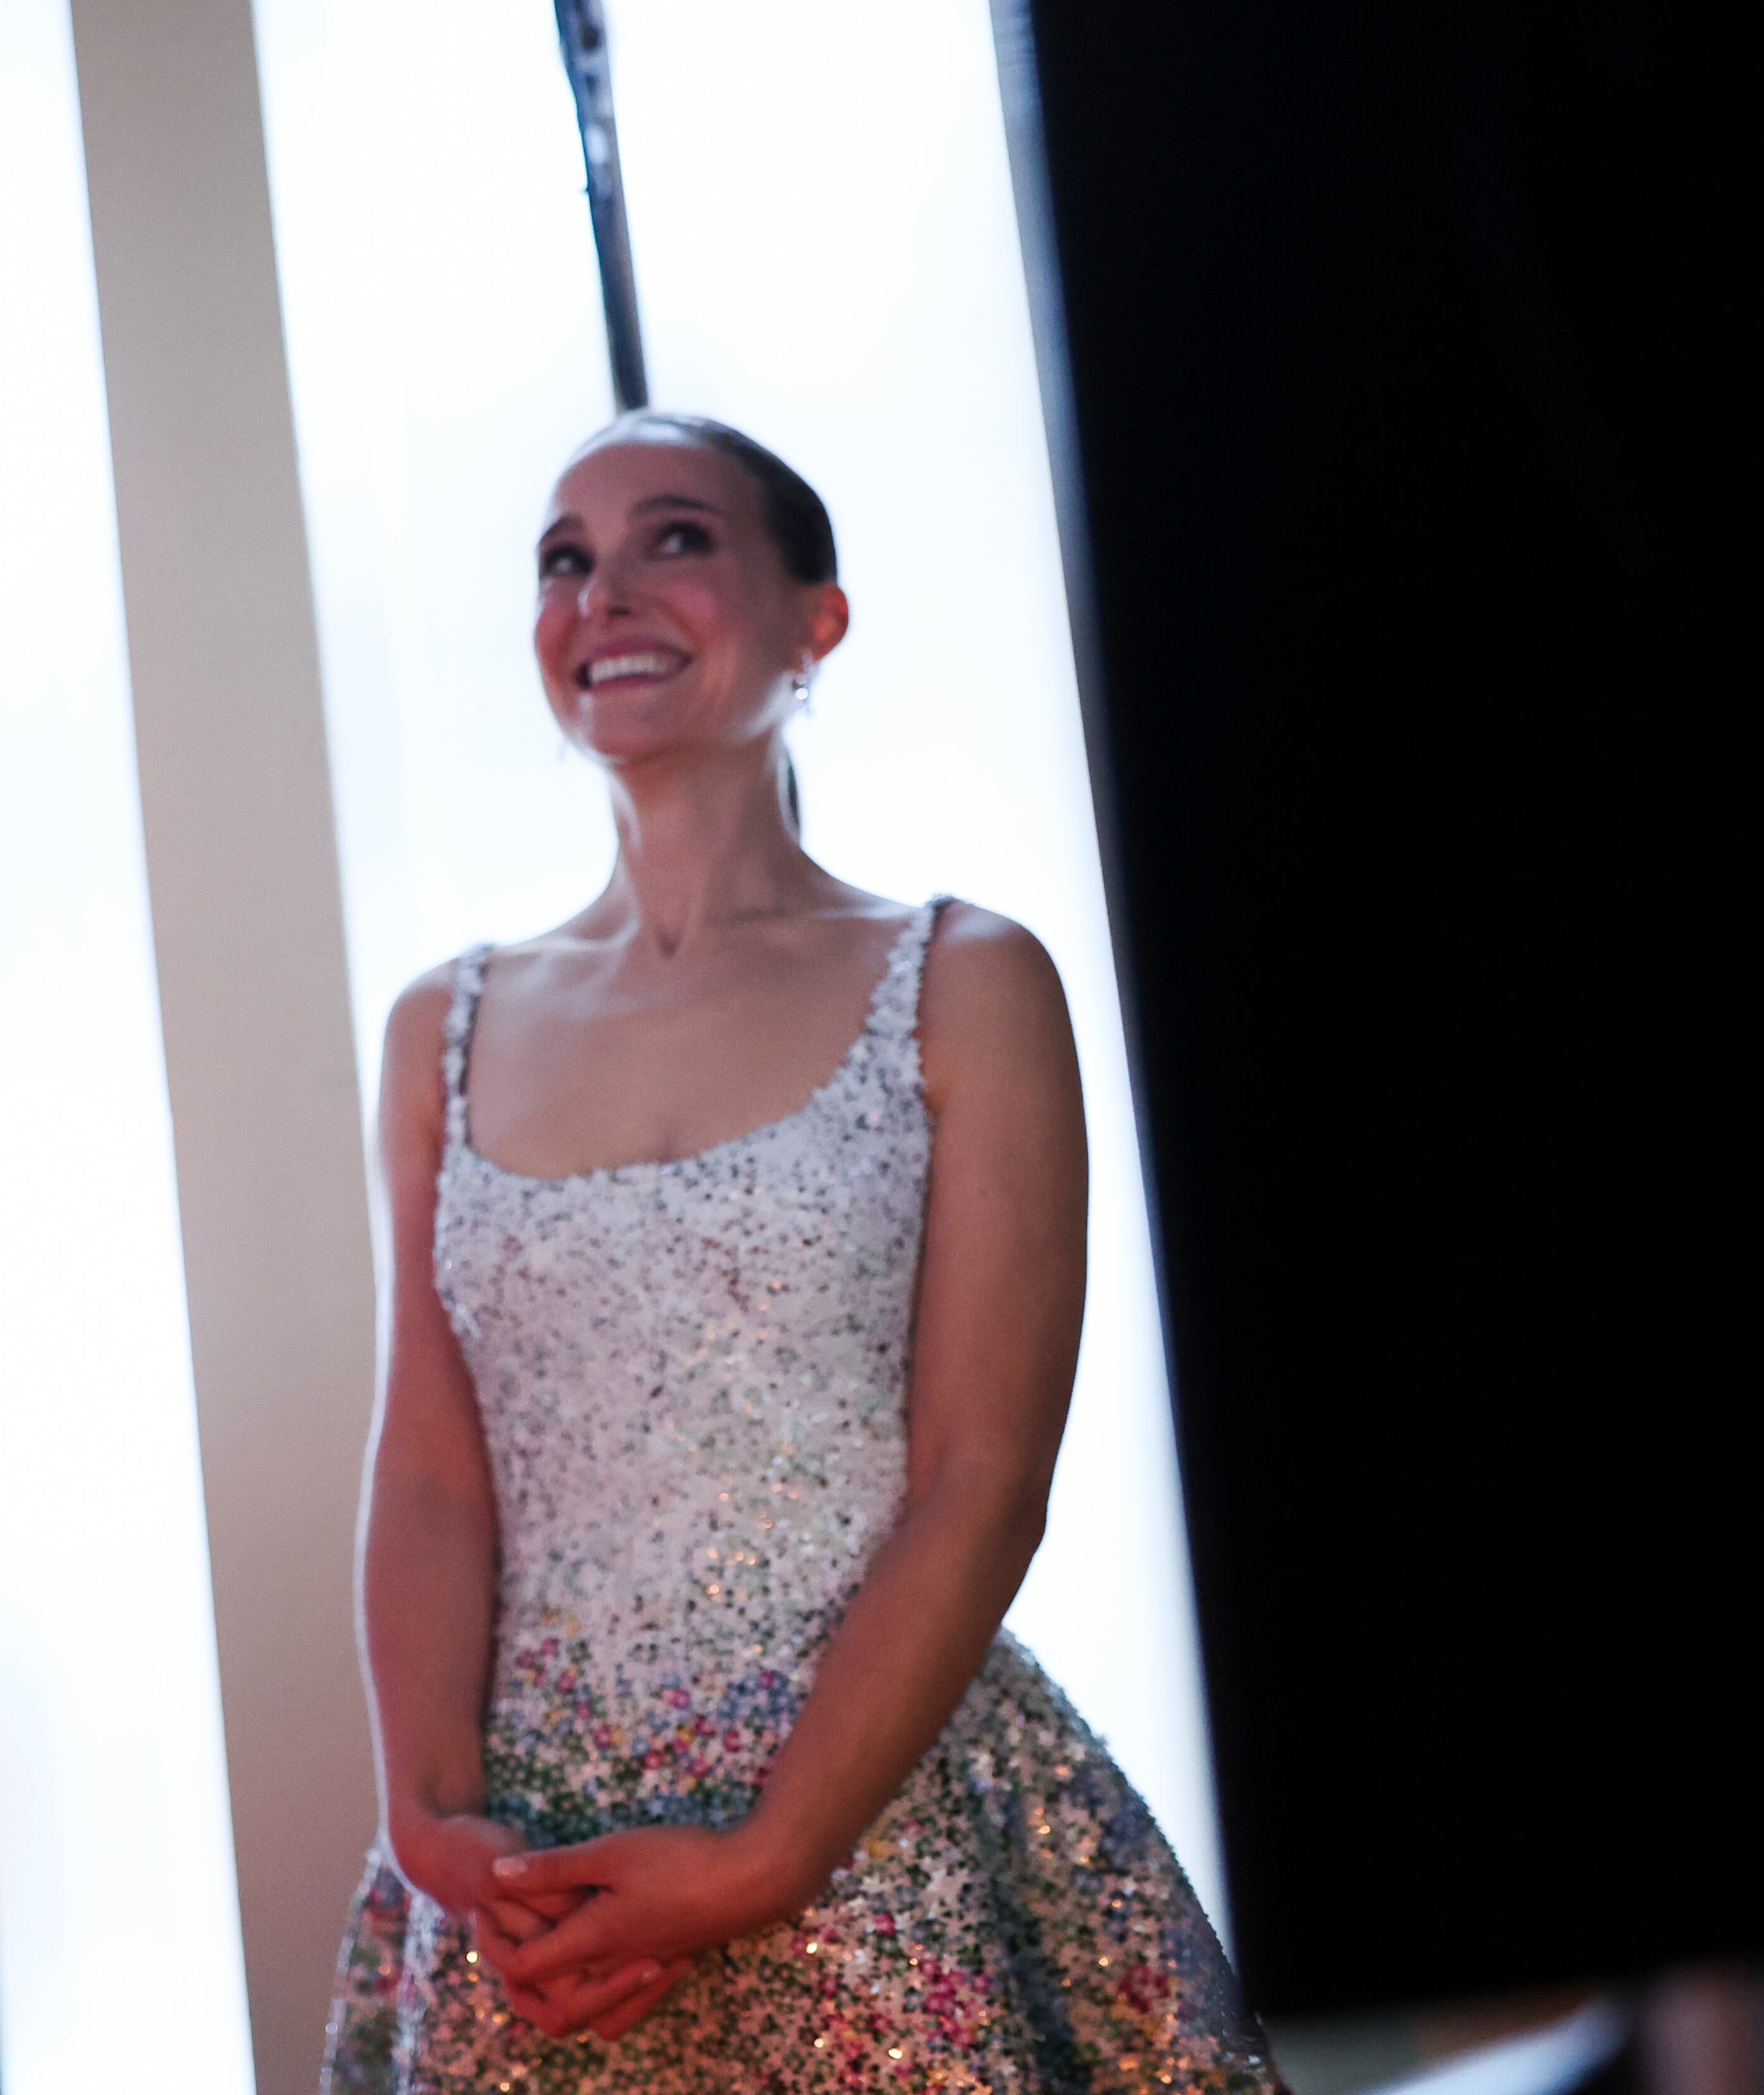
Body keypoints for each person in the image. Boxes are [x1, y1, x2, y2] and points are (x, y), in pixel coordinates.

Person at [323, 414, 1277, 2092]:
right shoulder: (442, 1025)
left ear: (813, 618)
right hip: (533, 1874)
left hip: (873, 1828)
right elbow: (430, 1480)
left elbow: (984, 1474)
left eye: (672, 539)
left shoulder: (966, 977)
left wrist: (771, 1855)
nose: (602, 592)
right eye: (564, 559)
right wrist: (429, 1814)